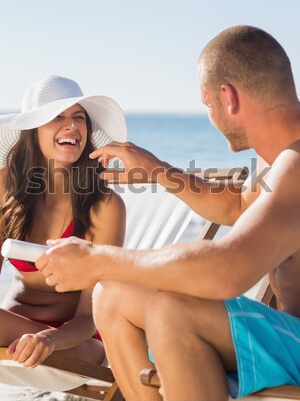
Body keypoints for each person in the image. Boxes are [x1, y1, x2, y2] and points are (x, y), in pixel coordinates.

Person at [37, 26, 300, 401]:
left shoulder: (296, 164)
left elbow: (226, 271)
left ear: (228, 98)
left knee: (173, 309)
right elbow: (238, 206)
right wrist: (157, 170)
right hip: (287, 337)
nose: (209, 114)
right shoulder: (281, 162)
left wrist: (97, 259)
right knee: (113, 296)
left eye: (206, 103)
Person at [0, 75, 126, 369]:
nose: (72, 125)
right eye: (57, 117)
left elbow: (89, 315)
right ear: (32, 131)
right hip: (11, 329)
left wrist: (49, 339)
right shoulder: (5, 187)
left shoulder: (104, 207)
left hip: (75, 341)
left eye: (78, 117)